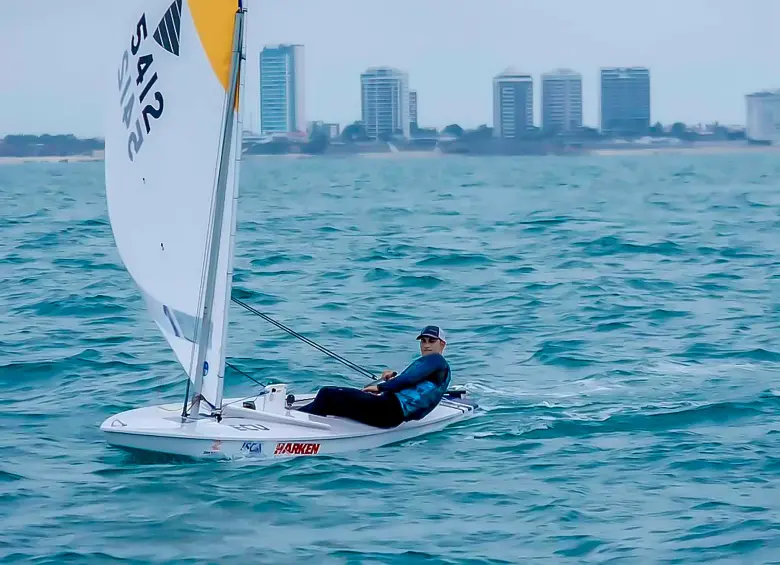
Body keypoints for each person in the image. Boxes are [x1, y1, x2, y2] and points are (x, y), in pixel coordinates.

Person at [296, 325, 451, 428]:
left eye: (431, 341)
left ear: (442, 344)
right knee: (332, 402)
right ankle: (300, 417)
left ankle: (299, 425)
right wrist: (392, 378)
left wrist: (380, 386)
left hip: (388, 409)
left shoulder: (435, 359)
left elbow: (408, 379)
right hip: (391, 415)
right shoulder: (439, 368)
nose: (426, 345)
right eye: (423, 341)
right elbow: (414, 383)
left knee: (327, 394)